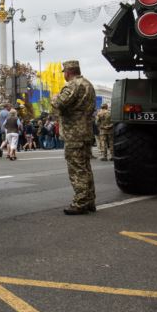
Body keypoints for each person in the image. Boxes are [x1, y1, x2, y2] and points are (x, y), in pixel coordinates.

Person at [52, 59, 97, 215]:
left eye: (64, 72)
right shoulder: (88, 85)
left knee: (77, 169)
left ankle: (80, 203)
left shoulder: (73, 85)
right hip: (85, 132)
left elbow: (60, 103)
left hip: (74, 133)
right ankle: (90, 200)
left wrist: (54, 97)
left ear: (68, 72)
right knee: (85, 168)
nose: (64, 74)